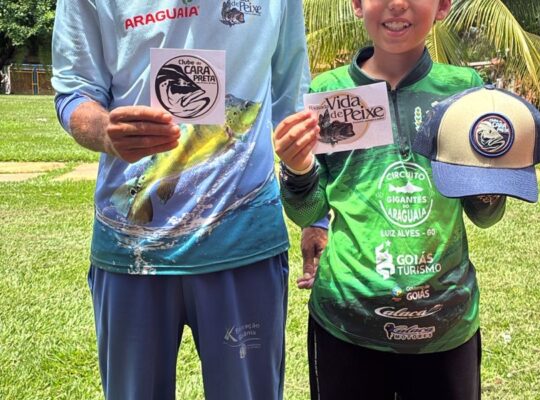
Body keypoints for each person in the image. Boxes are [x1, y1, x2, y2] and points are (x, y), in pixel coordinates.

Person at [51, 2, 311, 399]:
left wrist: (315, 216)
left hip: (243, 239)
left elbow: (293, 99)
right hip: (131, 246)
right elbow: (74, 90)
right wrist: (104, 130)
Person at [274, 0, 507, 399]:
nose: (397, 4)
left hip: (445, 323)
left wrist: (494, 173)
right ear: (357, 4)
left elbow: (484, 214)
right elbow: (309, 210)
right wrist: (298, 169)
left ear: (443, 6)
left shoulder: (464, 92)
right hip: (347, 320)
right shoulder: (329, 93)